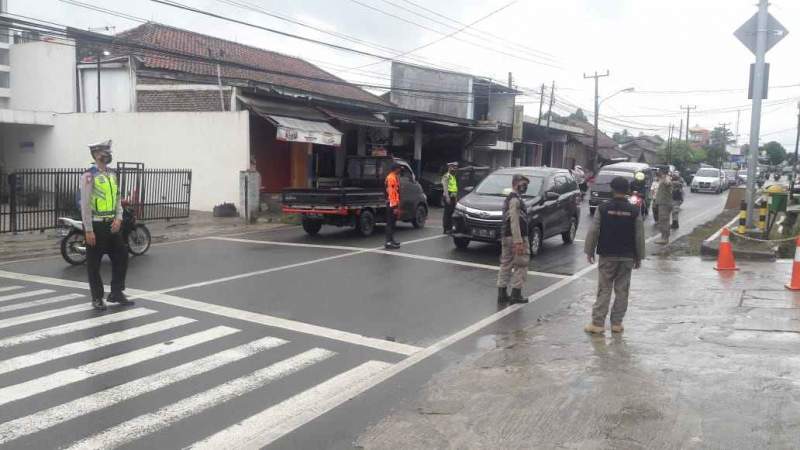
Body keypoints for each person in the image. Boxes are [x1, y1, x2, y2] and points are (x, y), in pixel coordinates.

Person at [584, 176, 645, 334]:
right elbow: (639, 235)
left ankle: (597, 324)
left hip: (607, 255)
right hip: (627, 256)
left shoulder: (603, 208)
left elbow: (594, 231)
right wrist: (639, 257)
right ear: (627, 191)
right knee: (622, 290)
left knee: (604, 289)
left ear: (612, 189)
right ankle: (616, 324)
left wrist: (589, 250)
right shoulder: (634, 210)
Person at [80, 140, 133, 311]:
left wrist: (119, 218)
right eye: (105, 152)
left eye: (108, 152)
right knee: (94, 264)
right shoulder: (89, 176)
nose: (108, 155)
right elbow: (85, 204)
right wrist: (88, 229)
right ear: (96, 155)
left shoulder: (112, 174)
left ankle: (116, 292)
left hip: (112, 224)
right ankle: (97, 297)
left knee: (122, 257)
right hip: (96, 225)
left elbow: (117, 198)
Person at [497, 174, 531, 304]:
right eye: (523, 184)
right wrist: (518, 241)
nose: (525, 187)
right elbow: (514, 221)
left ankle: (502, 293)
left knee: (505, 264)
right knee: (521, 264)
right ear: (516, 183)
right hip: (516, 237)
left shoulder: (509, 198)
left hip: (506, 236)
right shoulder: (515, 200)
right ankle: (516, 294)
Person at [384, 163, 402, 249]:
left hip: (393, 203)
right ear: (396, 169)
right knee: (390, 223)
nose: (400, 170)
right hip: (391, 204)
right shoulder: (391, 178)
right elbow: (391, 193)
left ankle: (391, 240)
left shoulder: (394, 177)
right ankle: (388, 242)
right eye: (399, 168)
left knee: (393, 223)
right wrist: (394, 207)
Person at [654, 167, 673, 245]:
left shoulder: (666, 178)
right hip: (662, 203)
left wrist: (665, 177)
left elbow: (668, 183)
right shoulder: (662, 179)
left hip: (665, 203)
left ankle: (665, 238)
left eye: (659, 171)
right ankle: (664, 237)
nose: (658, 173)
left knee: (664, 221)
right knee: (662, 221)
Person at [441, 162, 459, 234]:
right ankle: (446, 229)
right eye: (453, 167)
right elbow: (445, 187)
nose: (454, 168)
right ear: (449, 167)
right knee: (447, 213)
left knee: (452, 213)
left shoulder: (453, 176)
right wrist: (447, 197)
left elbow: (454, 188)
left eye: (455, 167)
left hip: (453, 197)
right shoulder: (447, 176)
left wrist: (456, 197)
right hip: (448, 196)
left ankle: (450, 228)